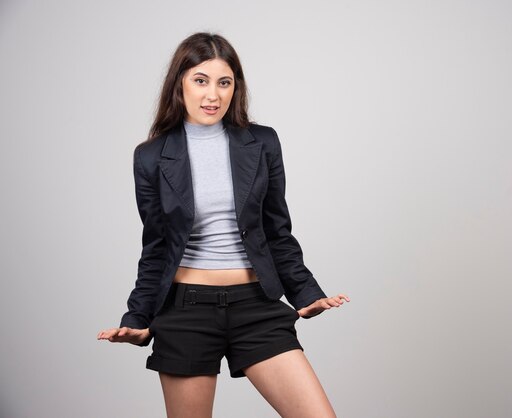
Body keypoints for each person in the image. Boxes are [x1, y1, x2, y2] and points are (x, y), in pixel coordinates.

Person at [96, 32, 349, 418]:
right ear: (180, 83)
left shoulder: (262, 142)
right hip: (186, 311)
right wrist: (137, 318)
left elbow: (276, 230)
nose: (213, 95)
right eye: (201, 80)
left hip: (256, 306)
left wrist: (304, 293)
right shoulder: (150, 157)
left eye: (224, 82)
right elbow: (157, 248)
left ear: (235, 88)